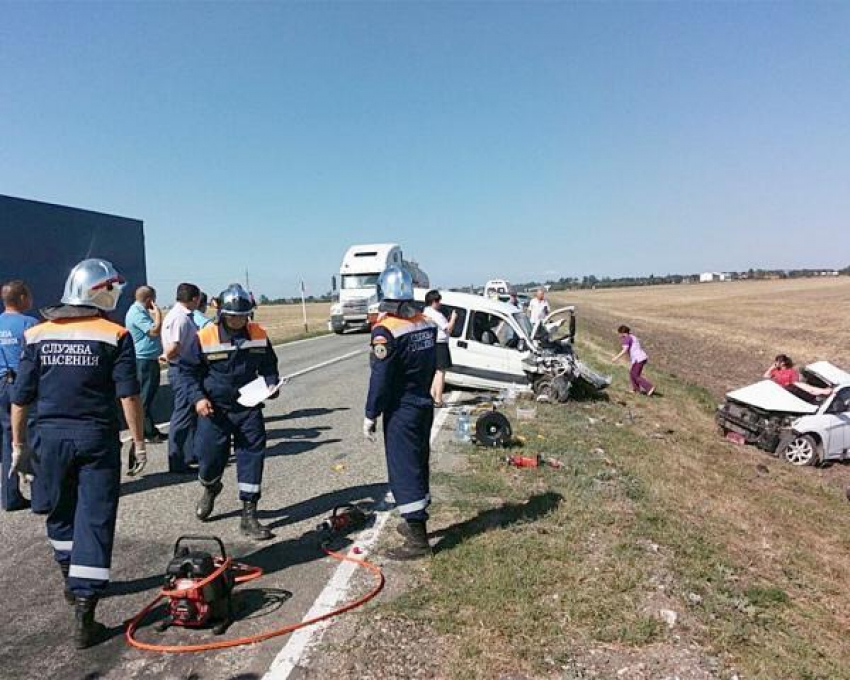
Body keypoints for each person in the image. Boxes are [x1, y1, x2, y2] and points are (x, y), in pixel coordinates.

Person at [11, 258, 145, 649]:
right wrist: (138, 442)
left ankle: (70, 577)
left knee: (58, 509)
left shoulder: (36, 335)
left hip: (48, 438)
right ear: (99, 291)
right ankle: (85, 611)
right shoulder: (115, 334)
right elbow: (128, 394)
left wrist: (18, 446)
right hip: (95, 438)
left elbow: (20, 397)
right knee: (95, 517)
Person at [181, 283, 280, 540]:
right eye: (233, 316)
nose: (238, 320)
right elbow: (188, 373)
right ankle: (210, 486)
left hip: (248, 408)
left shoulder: (258, 334)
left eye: (243, 315)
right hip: (214, 411)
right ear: (222, 314)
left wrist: (271, 384)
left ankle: (249, 514)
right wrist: (198, 399)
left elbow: (269, 365)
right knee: (209, 458)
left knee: (252, 457)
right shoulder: (205, 336)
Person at [364, 266, 437, 560]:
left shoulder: (386, 331)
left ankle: (418, 539)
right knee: (419, 461)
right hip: (422, 401)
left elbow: (380, 379)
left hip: (401, 408)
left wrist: (370, 413)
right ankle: (415, 522)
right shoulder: (426, 324)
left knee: (404, 467)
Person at [0, 280, 48, 512]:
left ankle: (10, 496)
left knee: (9, 438)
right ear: (21, 298)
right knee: (34, 437)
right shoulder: (31, 324)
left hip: (1, 383)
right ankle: (40, 499)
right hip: (23, 383)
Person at [162, 283, 201, 473]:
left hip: (186, 367)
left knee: (189, 415)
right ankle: (177, 460)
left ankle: (189, 454)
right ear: (194, 299)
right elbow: (174, 347)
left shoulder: (182, 316)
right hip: (181, 369)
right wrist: (166, 357)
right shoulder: (179, 318)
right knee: (182, 415)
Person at [125, 286, 165, 443]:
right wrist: (158, 315)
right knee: (145, 397)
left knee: (148, 395)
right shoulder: (136, 313)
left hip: (149, 358)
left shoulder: (140, 312)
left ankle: (150, 429)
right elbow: (154, 331)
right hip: (144, 360)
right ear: (150, 299)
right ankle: (147, 432)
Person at [422, 290, 457, 408]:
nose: (440, 303)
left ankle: (432, 396)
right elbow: (448, 329)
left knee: (436, 372)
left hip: (431, 343)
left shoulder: (426, 312)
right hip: (440, 343)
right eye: (438, 301)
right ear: (433, 301)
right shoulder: (436, 314)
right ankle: (438, 399)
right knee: (441, 373)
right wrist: (453, 318)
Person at [611, 325, 655, 396]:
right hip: (641, 357)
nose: (619, 335)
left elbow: (625, 350)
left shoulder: (627, 339)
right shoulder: (632, 336)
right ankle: (636, 390)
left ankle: (649, 387)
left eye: (619, 333)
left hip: (639, 359)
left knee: (635, 375)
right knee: (632, 374)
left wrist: (616, 358)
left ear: (623, 333)